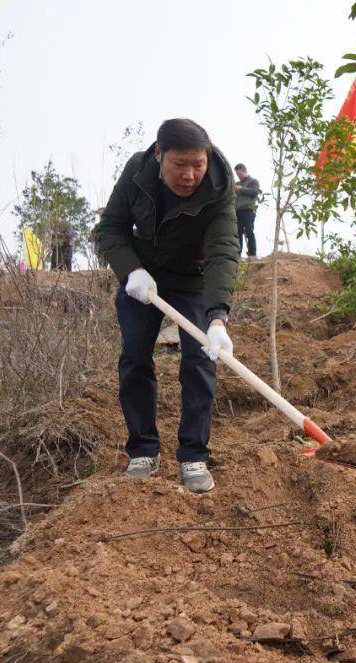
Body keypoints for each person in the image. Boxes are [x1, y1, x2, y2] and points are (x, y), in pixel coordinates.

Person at [97, 118, 239, 494]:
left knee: (200, 361)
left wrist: (218, 318)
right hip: (144, 278)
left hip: (191, 280)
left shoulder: (220, 186)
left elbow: (223, 251)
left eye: (198, 164)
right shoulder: (137, 173)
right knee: (135, 359)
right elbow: (110, 228)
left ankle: (193, 455)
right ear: (160, 155)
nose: (190, 175)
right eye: (180, 165)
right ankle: (143, 450)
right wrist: (132, 271)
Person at [234, 163, 261, 259]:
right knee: (237, 233)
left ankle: (252, 254)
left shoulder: (253, 181)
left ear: (245, 171)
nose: (238, 176)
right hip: (237, 211)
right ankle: (237, 255)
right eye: (237, 174)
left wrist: (241, 189)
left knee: (249, 232)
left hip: (248, 210)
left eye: (239, 174)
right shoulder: (236, 184)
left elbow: (255, 192)